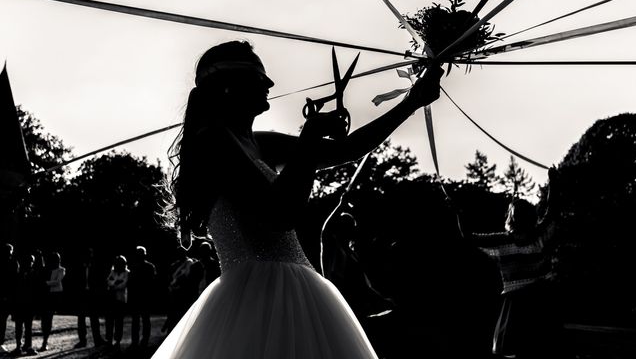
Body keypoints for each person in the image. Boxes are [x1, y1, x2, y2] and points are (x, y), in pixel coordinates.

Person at [151, 40, 443, 358]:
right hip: (257, 301)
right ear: (229, 86)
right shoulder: (214, 143)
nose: (269, 83)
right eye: (259, 75)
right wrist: (309, 139)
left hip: (291, 289)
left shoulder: (257, 143)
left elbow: (346, 150)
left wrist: (412, 101)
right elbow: (279, 213)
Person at [464, 168, 561, 359]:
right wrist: (554, 184)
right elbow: (553, 210)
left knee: (517, 351)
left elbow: (468, 237)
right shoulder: (538, 234)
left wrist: (458, 213)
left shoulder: (502, 240)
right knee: (543, 350)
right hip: (541, 302)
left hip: (516, 306)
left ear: (511, 217)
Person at [74, 247, 106, 348]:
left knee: (94, 318)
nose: (88, 257)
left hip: (93, 295)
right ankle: (82, 341)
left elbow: (100, 282)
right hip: (82, 295)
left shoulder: (96, 267)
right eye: (87, 255)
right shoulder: (79, 267)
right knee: (81, 318)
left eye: (90, 255)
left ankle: (97, 340)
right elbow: (75, 282)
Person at [128, 246, 156, 349]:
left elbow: (152, 283)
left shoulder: (148, 267)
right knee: (139, 320)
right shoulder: (136, 267)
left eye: (140, 254)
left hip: (144, 297)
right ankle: (137, 341)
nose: (139, 256)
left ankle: (142, 340)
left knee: (143, 319)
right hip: (138, 297)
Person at [39, 252, 65, 352]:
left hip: (53, 297)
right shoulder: (46, 269)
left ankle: (45, 341)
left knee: (48, 319)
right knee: (44, 319)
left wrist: (45, 283)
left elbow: (57, 282)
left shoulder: (61, 270)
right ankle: (44, 339)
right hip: (45, 296)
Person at [13, 254, 38, 356]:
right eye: (30, 261)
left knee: (25, 327)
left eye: (32, 261)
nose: (31, 263)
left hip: (26, 305)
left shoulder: (21, 274)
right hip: (23, 304)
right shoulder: (21, 274)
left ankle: (23, 346)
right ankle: (23, 347)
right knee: (23, 327)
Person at [105, 255, 129, 349]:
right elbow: (108, 282)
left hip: (121, 300)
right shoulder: (112, 272)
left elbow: (123, 284)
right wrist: (116, 283)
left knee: (119, 322)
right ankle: (109, 339)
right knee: (109, 321)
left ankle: (118, 340)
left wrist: (113, 285)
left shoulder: (127, 273)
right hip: (111, 300)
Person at [0, 243, 19, 353]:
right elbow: (14, 281)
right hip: (8, 296)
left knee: (2, 321)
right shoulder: (12, 263)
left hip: (6, 296)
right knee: (3, 322)